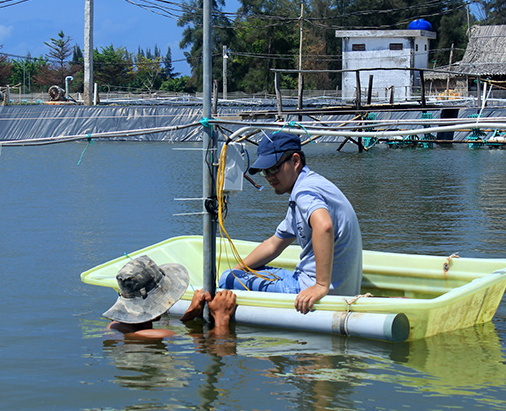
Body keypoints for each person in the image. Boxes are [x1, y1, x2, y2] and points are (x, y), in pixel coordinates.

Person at [219, 131, 362, 314]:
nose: (270, 176)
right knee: (235, 274)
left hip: (314, 290)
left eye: (274, 168)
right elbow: (274, 244)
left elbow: (324, 226)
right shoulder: (311, 185)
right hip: (339, 288)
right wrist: (237, 269)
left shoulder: (305, 192)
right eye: (265, 171)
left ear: (295, 161)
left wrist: (320, 285)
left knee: (226, 281)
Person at [104, 255, 236, 338]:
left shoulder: (113, 327)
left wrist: (189, 314)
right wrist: (221, 318)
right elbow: (220, 346)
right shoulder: (161, 334)